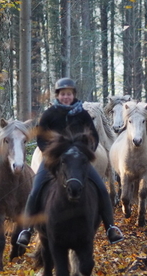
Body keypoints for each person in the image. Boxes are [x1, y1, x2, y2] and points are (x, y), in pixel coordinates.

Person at [17, 78, 124, 247]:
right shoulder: (49, 114)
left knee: (101, 188)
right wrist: (52, 153)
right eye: (63, 94)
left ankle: (110, 227)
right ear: (58, 95)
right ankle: (27, 229)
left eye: (69, 94)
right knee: (36, 189)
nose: (66, 97)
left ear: (73, 95)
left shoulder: (82, 114)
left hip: (77, 160)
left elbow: (94, 137)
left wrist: (84, 153)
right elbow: (41, 139)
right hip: (54, 160)